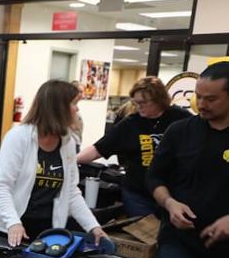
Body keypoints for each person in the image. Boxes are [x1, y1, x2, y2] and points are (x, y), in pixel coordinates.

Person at [0, 79, 106, 247]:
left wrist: (94, 227)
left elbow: (71, 192)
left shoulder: (68, 142)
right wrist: (13, 223)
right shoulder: (18, 137)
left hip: (44, 231)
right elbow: (2, 187)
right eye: (74, 103)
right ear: (58, 107)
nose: (77, 109)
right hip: (6, 229)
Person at [148, 62, 229, 258]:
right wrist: (170, 203)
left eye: (211, 99)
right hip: (178, 242)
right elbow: (155, 178)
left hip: (224, 256)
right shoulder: (180, 131)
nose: (201, 104)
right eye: (198, 96)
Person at [78, 76, 191, 217]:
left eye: (143, 103)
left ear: (159, 99)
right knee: (143, 232)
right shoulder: (130, 124)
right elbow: (97, 149)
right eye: (136, 103)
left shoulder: (181, 118)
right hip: (138, 194)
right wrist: (69, 160)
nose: (139, 107)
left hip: (173, 193)